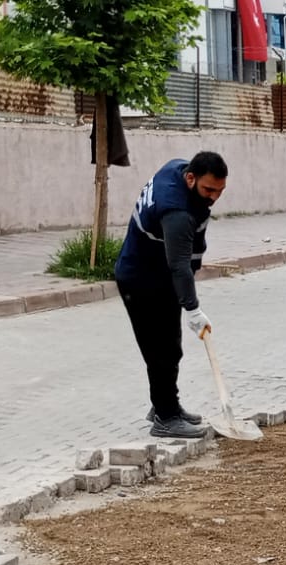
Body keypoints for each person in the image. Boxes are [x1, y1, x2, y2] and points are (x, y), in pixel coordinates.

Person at [114, 150, 228, 439]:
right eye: (208, 190)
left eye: (220, 191)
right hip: (140, 279)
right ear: (190, 178)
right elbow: (179, 264)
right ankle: (165, 418)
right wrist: (192, 309)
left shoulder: (177, 168)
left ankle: (166, 405)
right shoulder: (176, 211)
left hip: (160, 276)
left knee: (171, 344)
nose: (214, 197)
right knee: (160, 349)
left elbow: (184, 262)